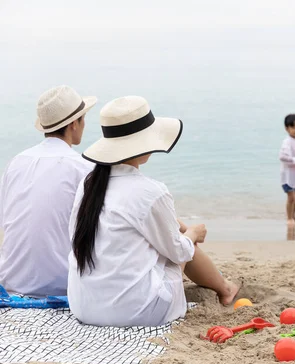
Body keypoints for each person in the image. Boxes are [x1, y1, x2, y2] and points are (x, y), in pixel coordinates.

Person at [68, 96, 239, 327]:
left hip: (84, 307)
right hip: (136, 313)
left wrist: (180, 227)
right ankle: (226, 288)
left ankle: (225, 286)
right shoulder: (151, 191)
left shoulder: (89, 184)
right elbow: (179, 252)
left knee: (161, 240)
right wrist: (192, 234)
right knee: (181, 245)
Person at [0, 85, 96, 297]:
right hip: (63, 286)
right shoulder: (83, 168)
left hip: (11, 282)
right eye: (83, 118)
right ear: (73, 124)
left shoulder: (16, 163)